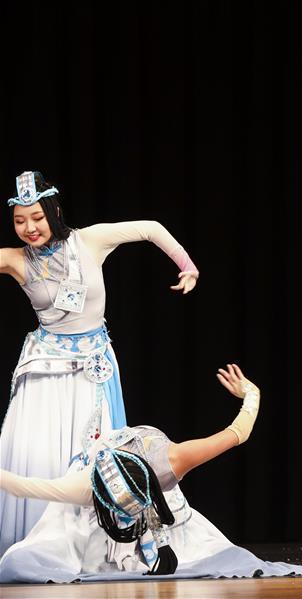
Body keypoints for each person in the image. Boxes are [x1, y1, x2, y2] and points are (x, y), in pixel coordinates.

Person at [0, 171, 199, 554]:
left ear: (55, 211)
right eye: (20, 220)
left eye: (37, 217)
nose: (29, 228)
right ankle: (36, 547)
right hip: (45, 371)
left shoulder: (89, 241)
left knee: (96, 457)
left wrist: (186, 264)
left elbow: (150, 228)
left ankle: (97, 548)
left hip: (92, 368)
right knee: (40, 454)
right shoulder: (15, 259)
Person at [0, 364, 302, 581]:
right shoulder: (85, 486)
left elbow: (238, 433)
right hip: (97, 503)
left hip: (143, 495)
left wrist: (252, 392)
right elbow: (21, 485)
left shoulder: (171, 461)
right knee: (35, 556)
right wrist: (252, 395)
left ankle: (147, 541)